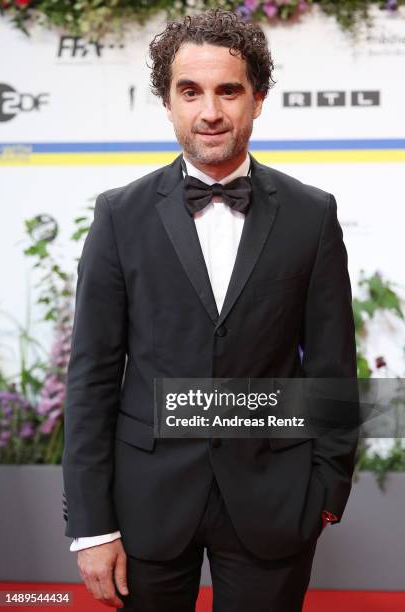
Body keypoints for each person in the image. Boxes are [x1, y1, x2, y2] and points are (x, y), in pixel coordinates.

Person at [62, 8, 359, 612]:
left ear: (258, 98)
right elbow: (91, 377)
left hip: (274, 500)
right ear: (167, 102)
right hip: (146, 502)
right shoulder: (119, 215)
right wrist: (92, 526)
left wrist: (327, 490)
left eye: (229, 90)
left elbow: (333, 365)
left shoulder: (312, 215)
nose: (211, 111)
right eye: (189, 91)